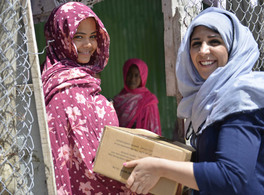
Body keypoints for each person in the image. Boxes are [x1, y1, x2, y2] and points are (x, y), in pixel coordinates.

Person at [123, 7, 264, 195]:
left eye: (215, 41)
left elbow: (231, 178)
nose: (203, 51)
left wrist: (160, 167)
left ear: (232, 46)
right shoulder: (209, 98)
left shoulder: (240, 95)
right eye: (196, 44)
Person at [41, 2, 132, 194]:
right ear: (60, 37)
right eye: (78, 37)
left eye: (93, 37)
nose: (88, 45)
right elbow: (85, 166)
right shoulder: (63, 89)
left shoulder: (80, 79)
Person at [113, 58, 162, 136]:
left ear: (142, 76)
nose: (132, 79)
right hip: (121, 142)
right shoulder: (117, 100)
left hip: (143, 144)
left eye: (136, 76)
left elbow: (153, 131)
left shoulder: (149, 100)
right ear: (125, 74)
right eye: (129, 74)